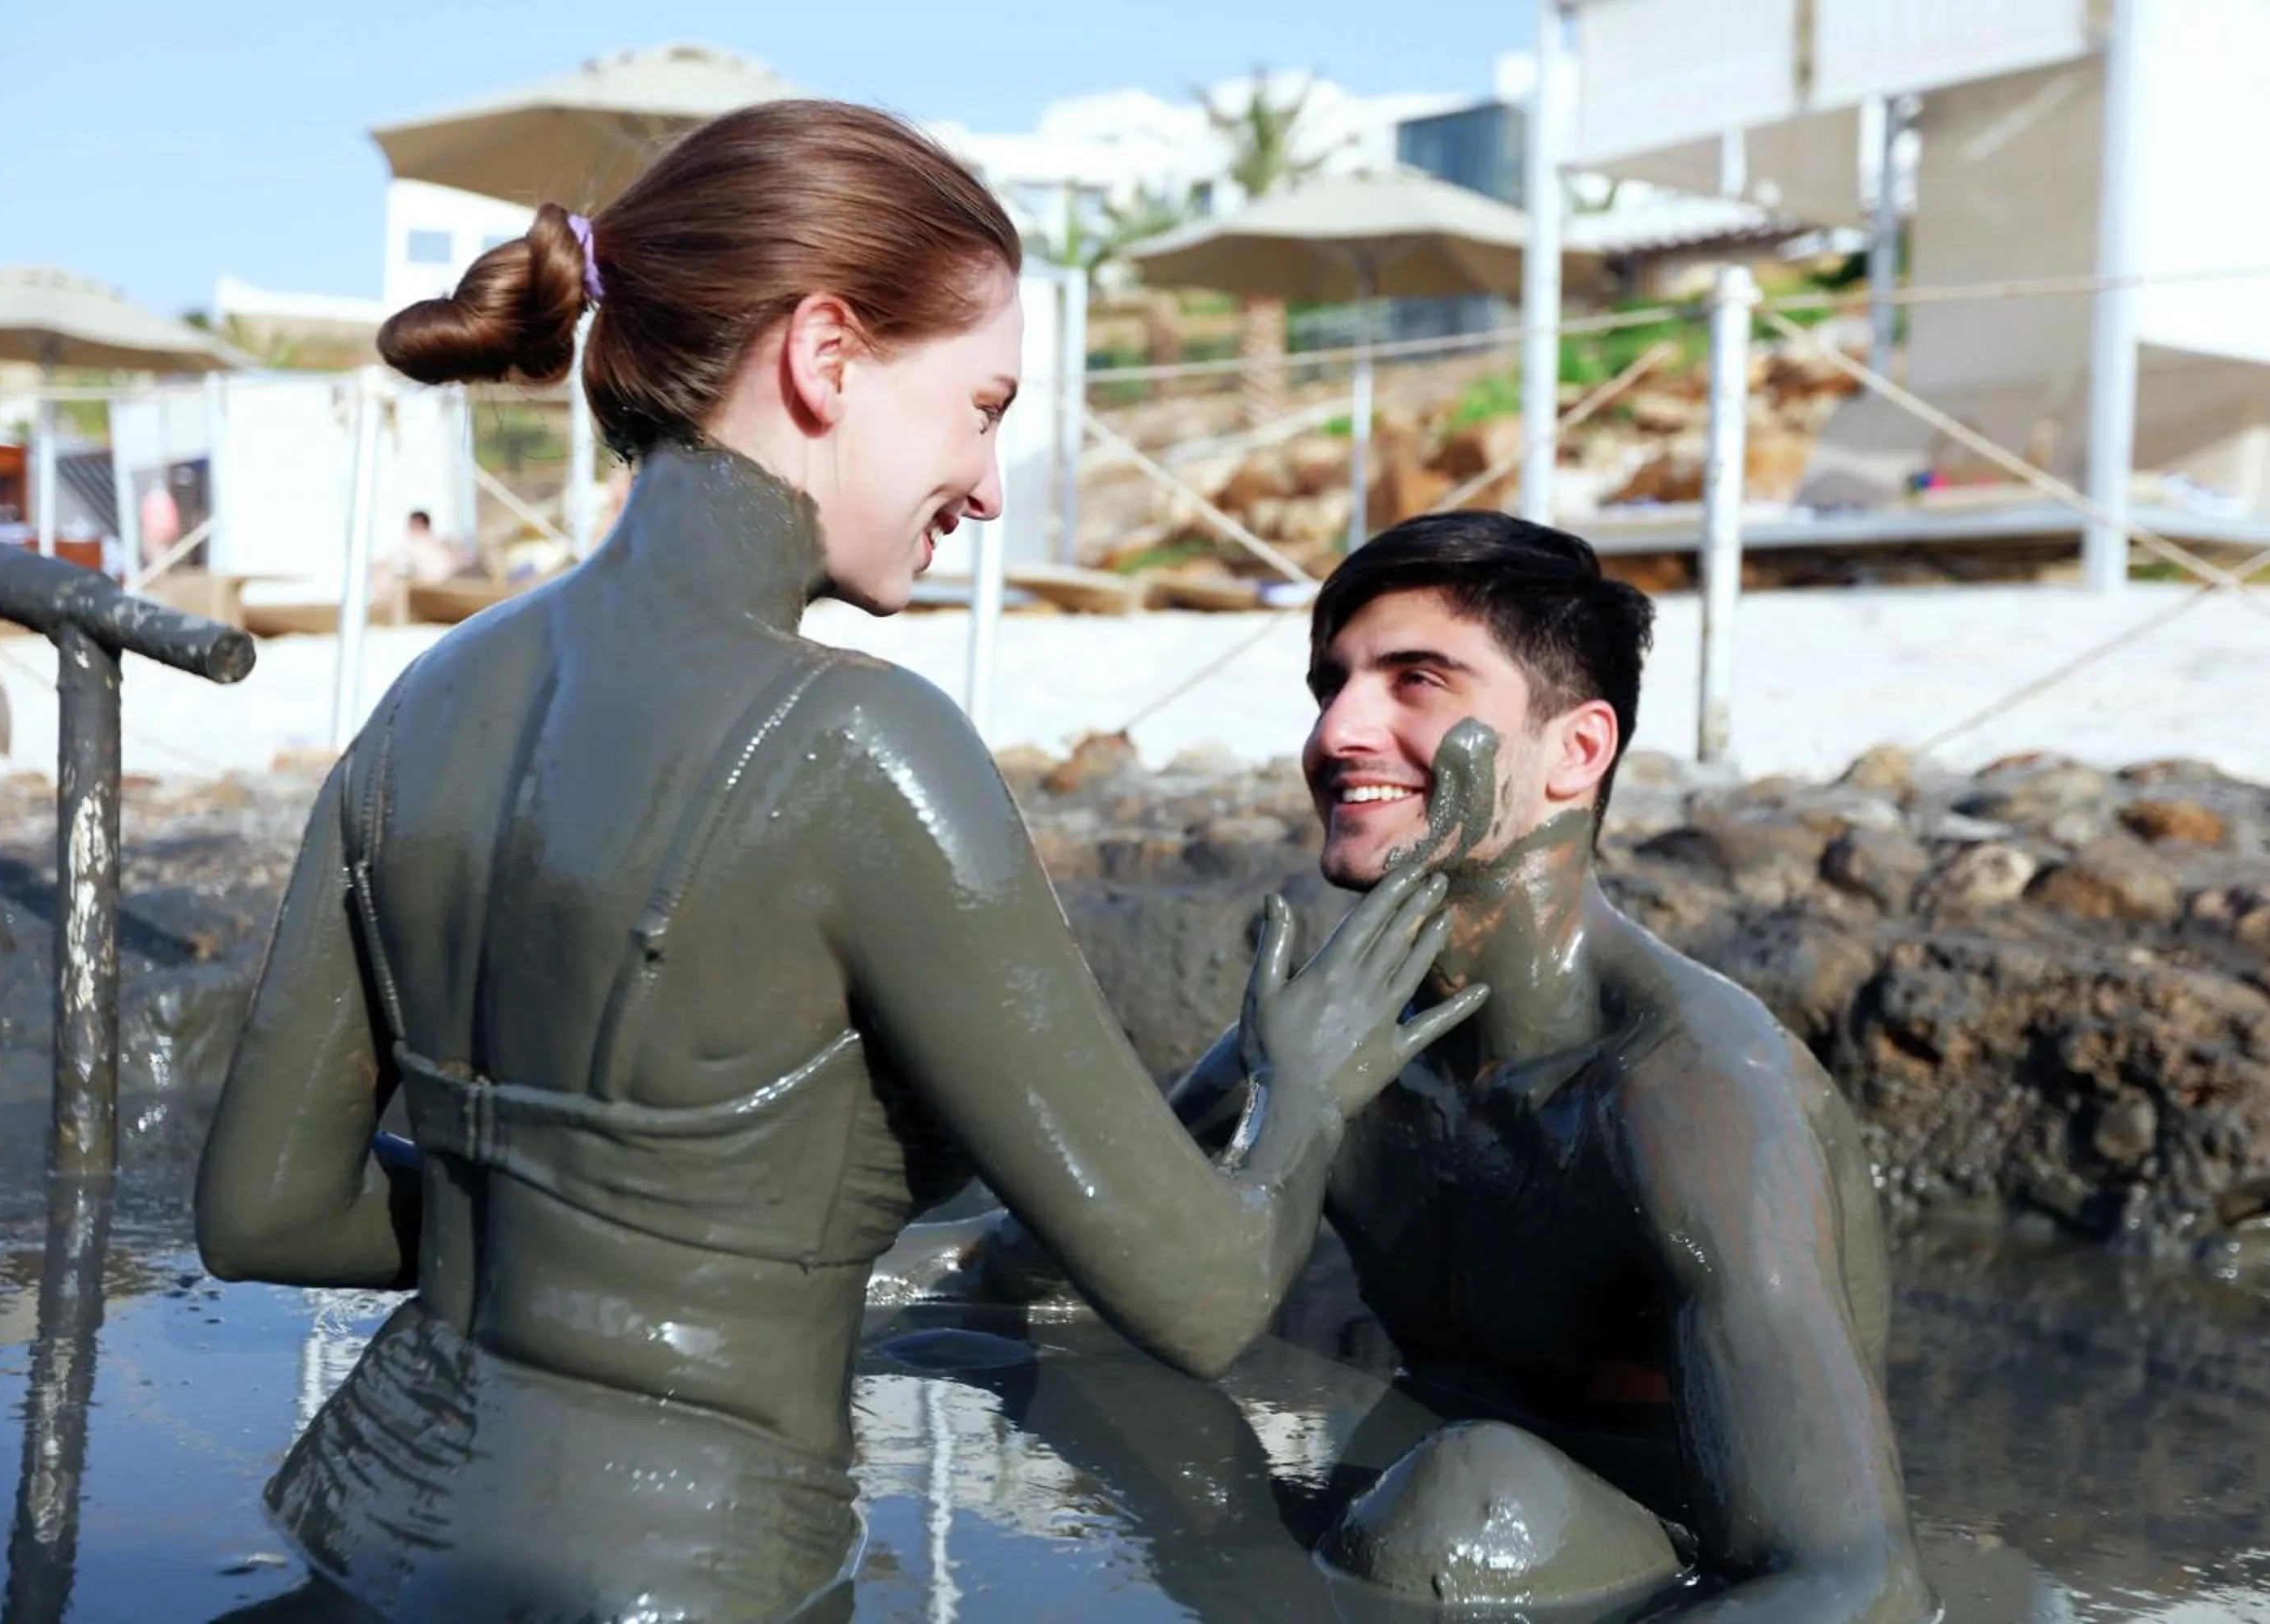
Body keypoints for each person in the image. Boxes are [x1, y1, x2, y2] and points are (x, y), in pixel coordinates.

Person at [191, 99, 1487, 1624]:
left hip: (369, 1513)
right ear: (825, 357)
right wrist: (1304, 1095)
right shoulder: (864, 747)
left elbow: (261, 1216)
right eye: (983, 406)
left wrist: (546, 1234)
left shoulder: (420, 707)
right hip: (682, 1561)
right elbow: (1201, 1298)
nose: (992, 484)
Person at [888, 512, 1939, 1621]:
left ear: (1576, 752)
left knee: (1474, 1502)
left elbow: (1854, 1581)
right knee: (1131, 1408)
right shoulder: (1339, 1033)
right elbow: (1015, 1275)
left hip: (1632, 1560)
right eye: (1330, 685)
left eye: (1416, 683)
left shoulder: (1692, 1089)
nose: (1339, 732)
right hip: (1407, 1504)